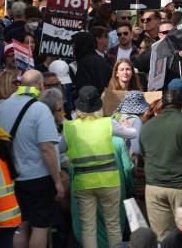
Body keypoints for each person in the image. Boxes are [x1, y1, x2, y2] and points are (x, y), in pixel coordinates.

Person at [0, 69, 64, 248]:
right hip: (38, 179)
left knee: (21, 226)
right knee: (40, 227)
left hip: (12, 178)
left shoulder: (3, 106)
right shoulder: (40, 109)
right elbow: (47, 149)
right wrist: (57, 182)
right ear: (41, 85)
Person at [64, 85, 137, 248]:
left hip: (83, 184)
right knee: (113, 225)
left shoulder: (70, 128)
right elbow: (133, 133)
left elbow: (56, 149)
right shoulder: (108, 124)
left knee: (88, 227)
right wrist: (124, 126)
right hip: (109, 183)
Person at [139, 79, 182, 240]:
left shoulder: (147, 126)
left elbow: (145, 156)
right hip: (181, 186)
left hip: (154, 187)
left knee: (161, 237)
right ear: (181, 104)